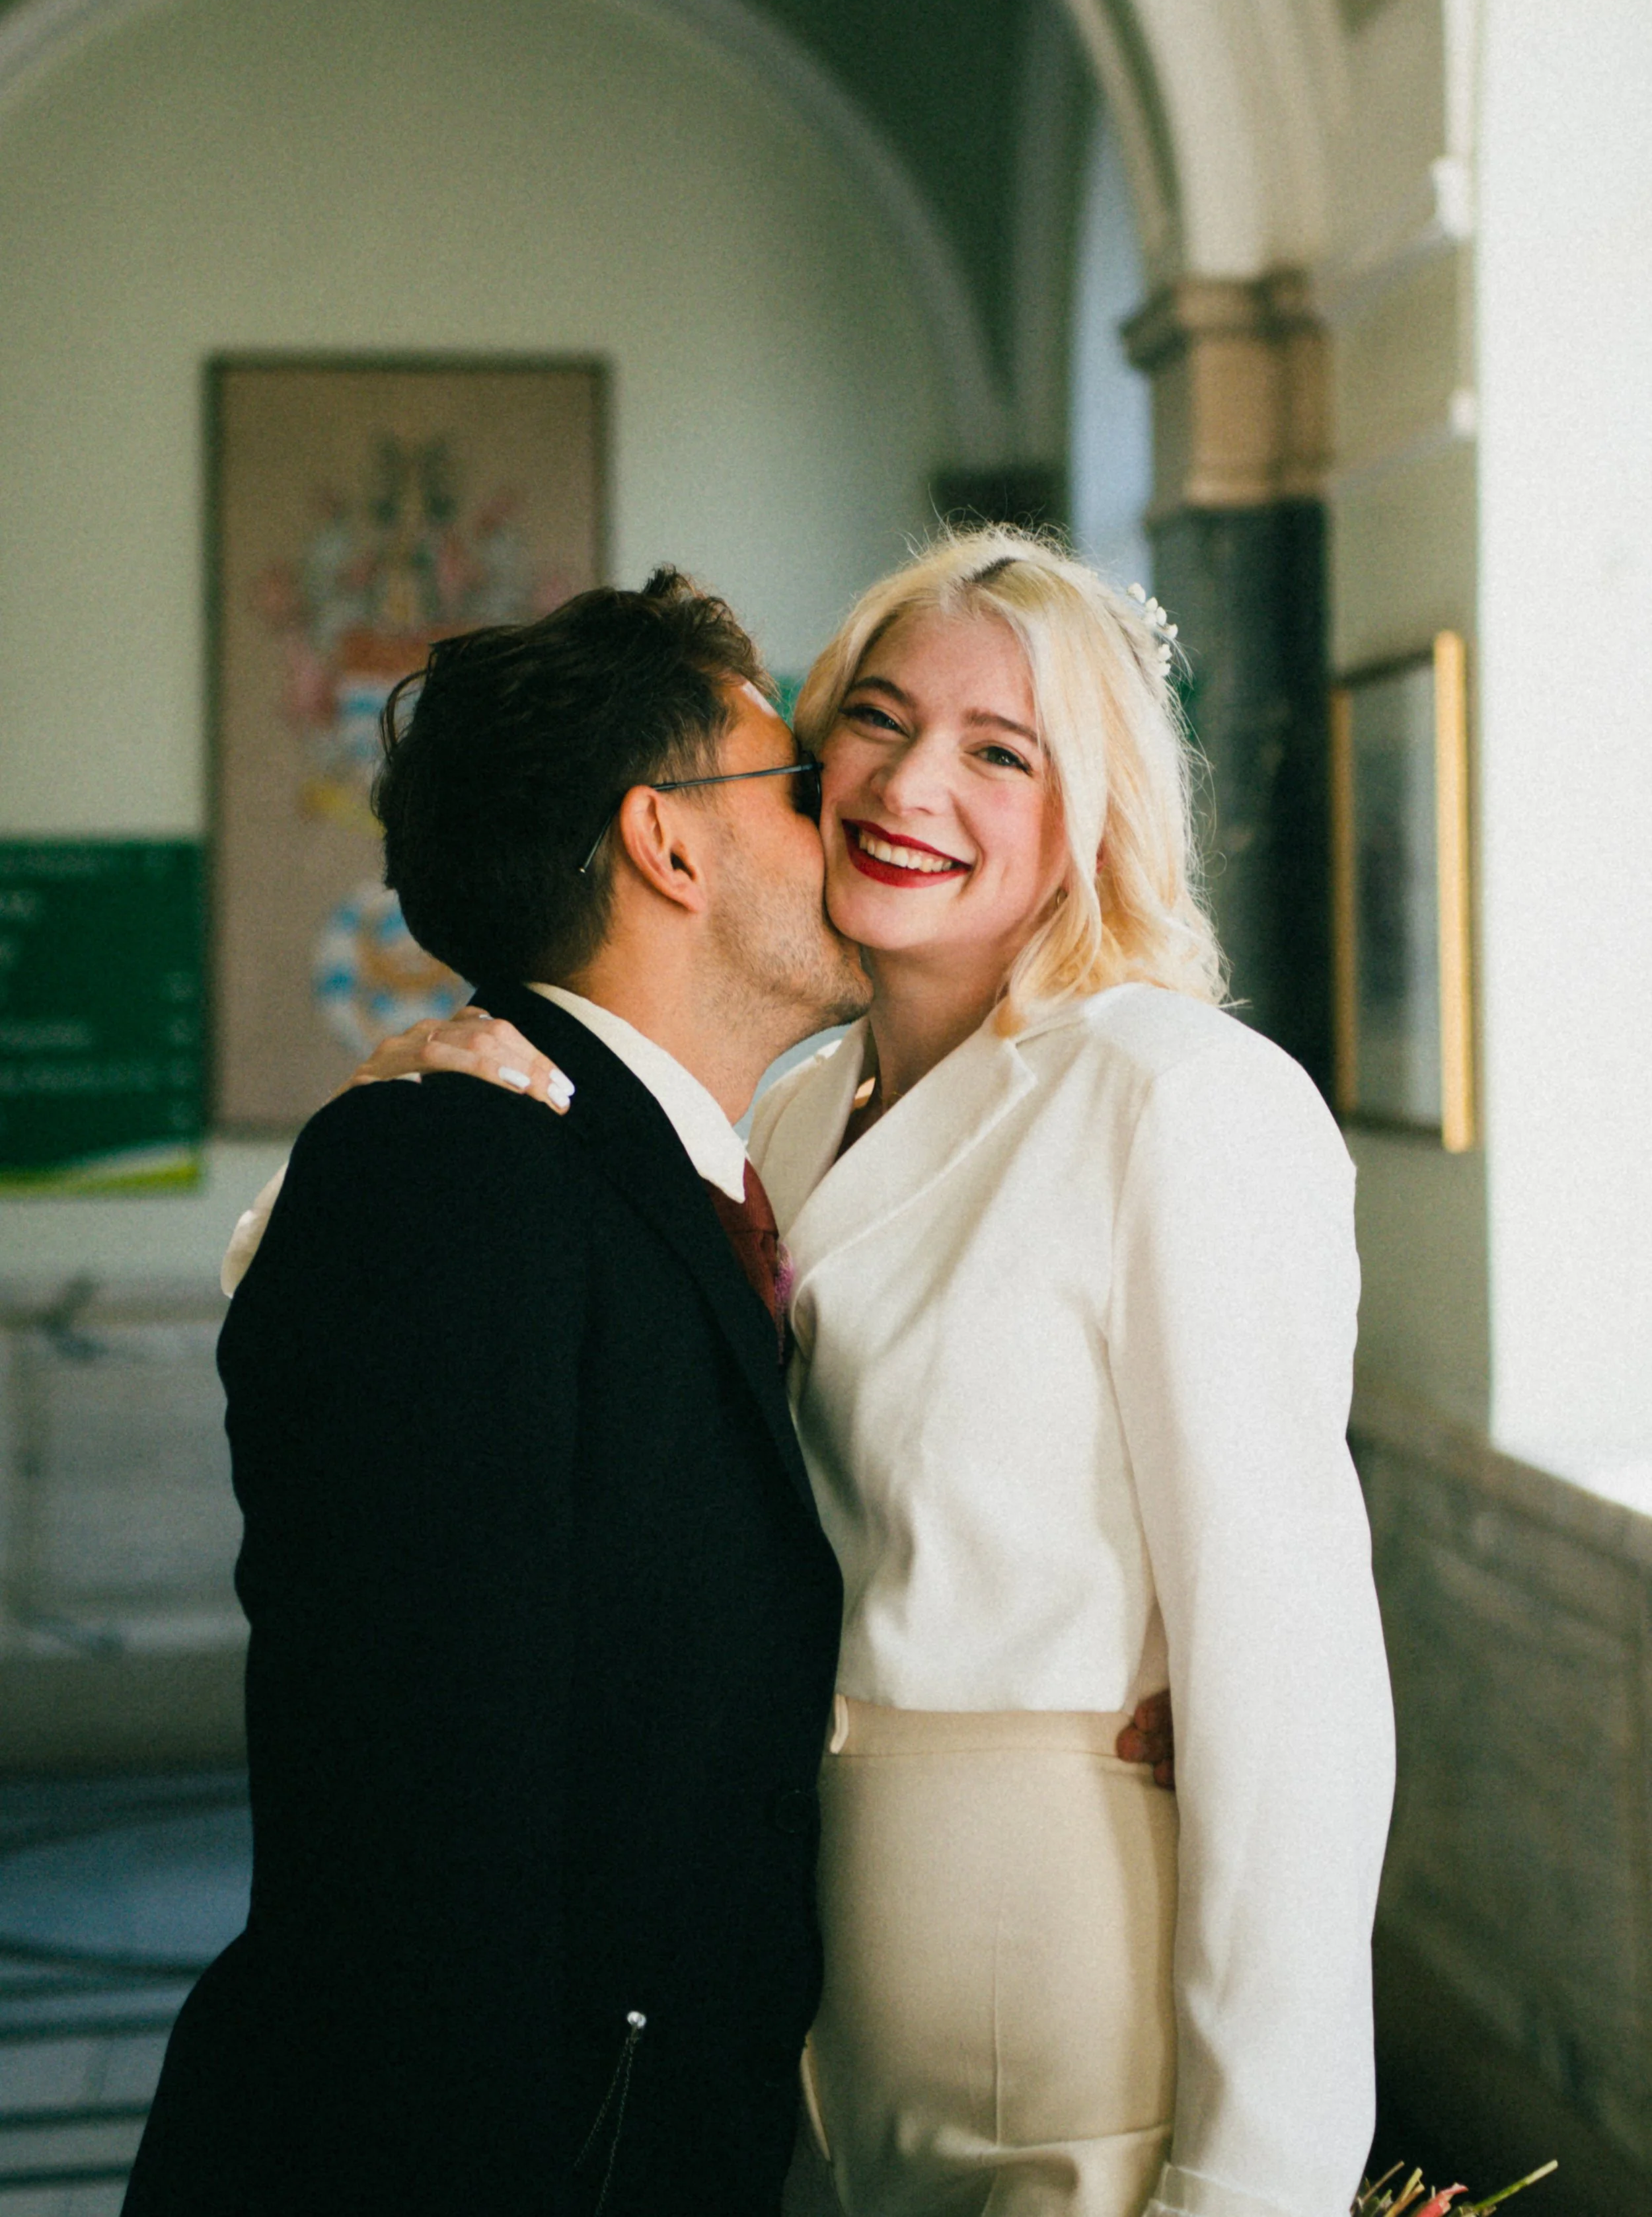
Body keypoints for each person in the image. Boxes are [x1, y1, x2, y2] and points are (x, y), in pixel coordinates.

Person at [377, 530, 1394, 2217]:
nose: (912, 782)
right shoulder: (782, 1107)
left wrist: (1256, 2176)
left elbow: (1290, 1682)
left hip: (1055, 1975)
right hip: (789, 1980)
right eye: (875, 718)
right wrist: (413, 1114)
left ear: (1095, 812)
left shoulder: (1175, 1098)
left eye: (1001, 751)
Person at [123, 572, 874, 2217]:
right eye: (803, 784)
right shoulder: (453, 1178)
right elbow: (418, 1830)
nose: (860, 823)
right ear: (667, 841)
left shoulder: (651, 1175)